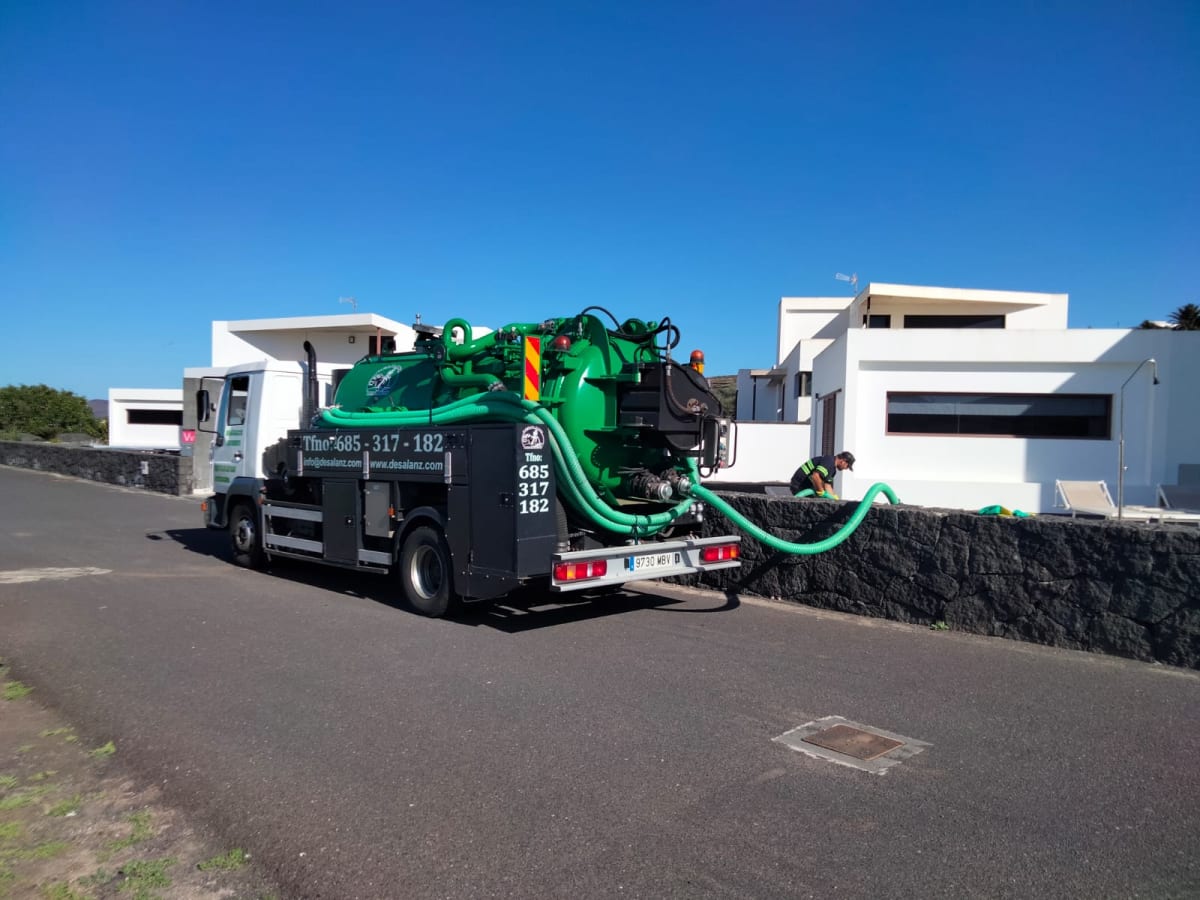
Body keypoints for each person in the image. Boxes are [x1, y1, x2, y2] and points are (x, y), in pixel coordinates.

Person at [790, 451, 855, 498]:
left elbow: (827, 486)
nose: (846, 468)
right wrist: (821, 491)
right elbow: (815, 476)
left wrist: (834, 498)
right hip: (799, 486)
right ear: (843, 461)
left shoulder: (833, 470)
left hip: (807, 487)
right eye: (847, 466)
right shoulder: (829, 461)